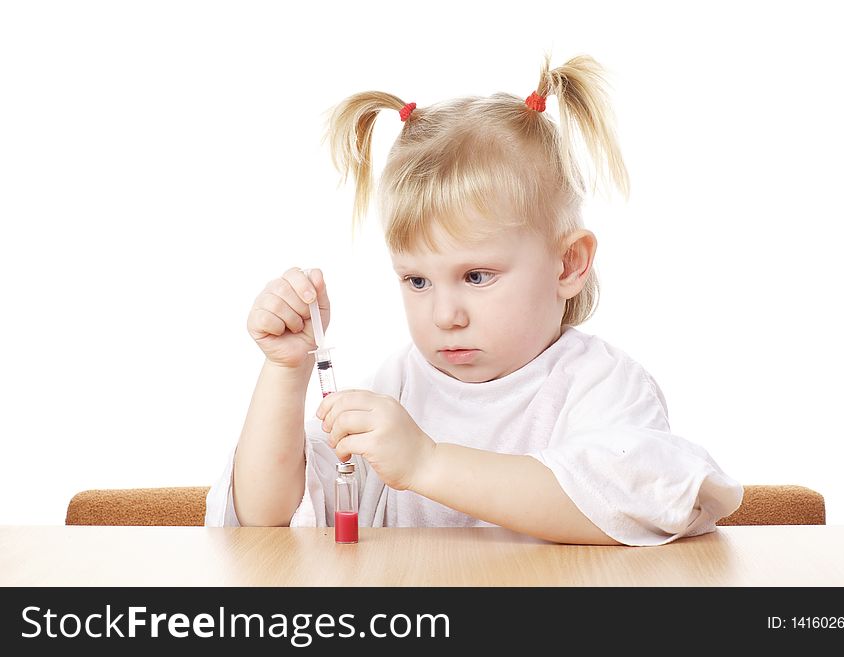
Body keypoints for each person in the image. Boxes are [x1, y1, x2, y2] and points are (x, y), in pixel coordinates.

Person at [205, 52, 743, 545]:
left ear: (569, 264)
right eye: (417, 281)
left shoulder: (599, 385)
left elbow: (632, 504)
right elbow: (263, 521)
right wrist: (285, 371)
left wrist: (428, 464)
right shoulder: (398, 386)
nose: (445, 315)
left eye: (478, 276)